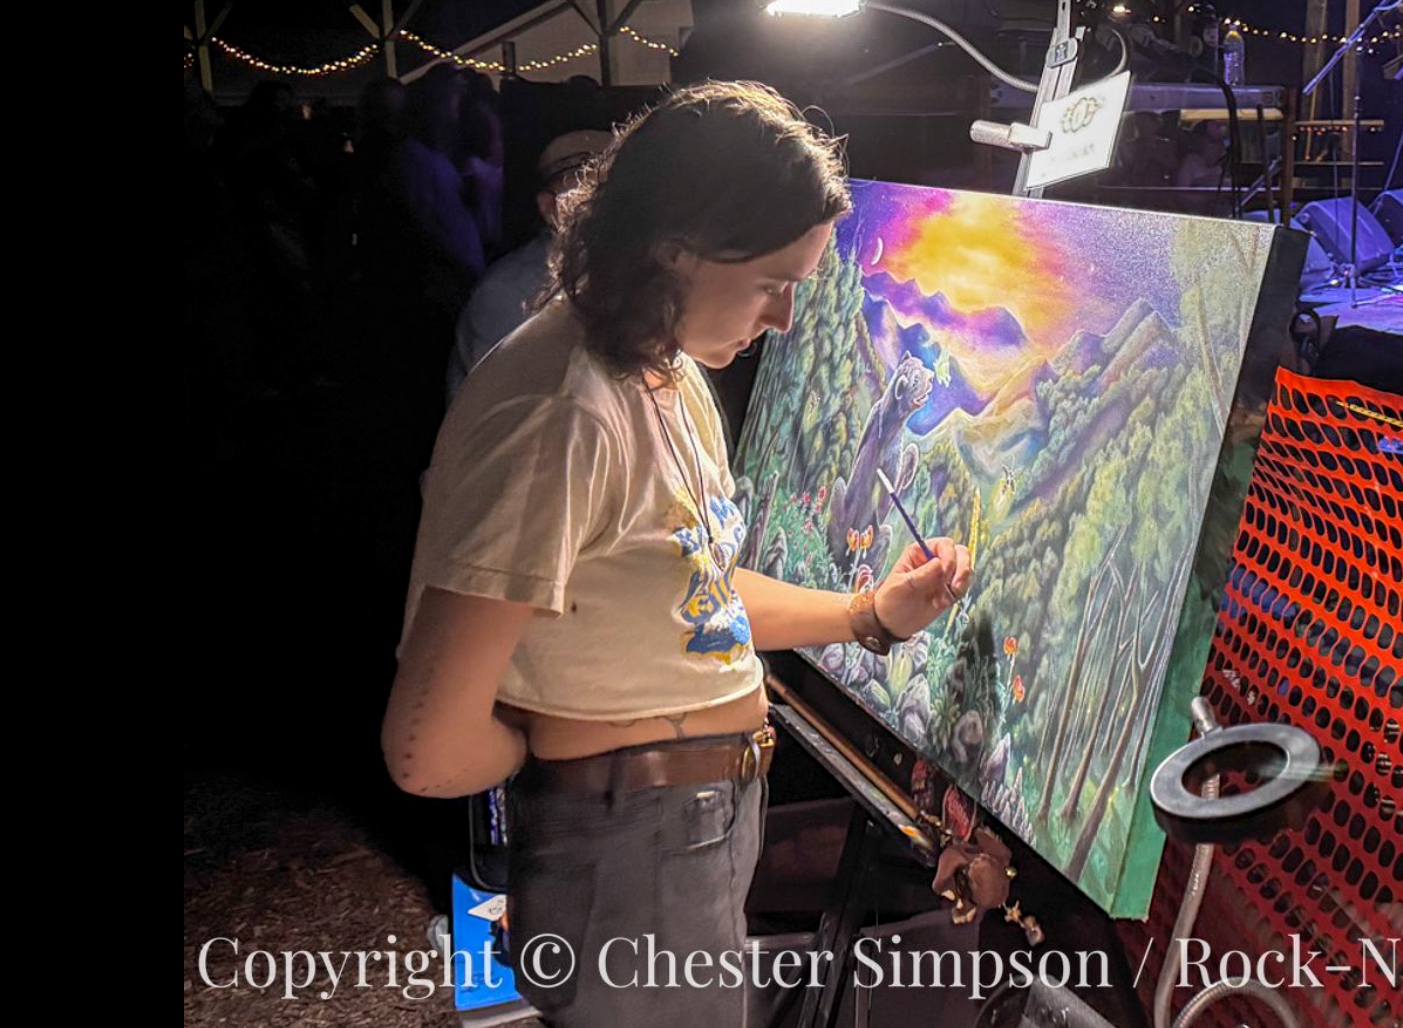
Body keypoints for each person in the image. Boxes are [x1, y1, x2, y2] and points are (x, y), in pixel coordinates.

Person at [381, 80, 974, 1028]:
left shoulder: (663, 365)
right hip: (632, 850)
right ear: (676, 248)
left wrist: (866, 617)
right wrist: (567, 757)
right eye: (773, 281)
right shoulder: (564, 411)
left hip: (669, 835)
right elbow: (426, 747)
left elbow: (694, 587)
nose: (784, 318)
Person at [445, 128, 605, 398]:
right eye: (581, 198)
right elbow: (495, 417)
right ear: (547, 207)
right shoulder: (508, 293)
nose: (600, 210)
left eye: (609, 195)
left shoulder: (629, 276)